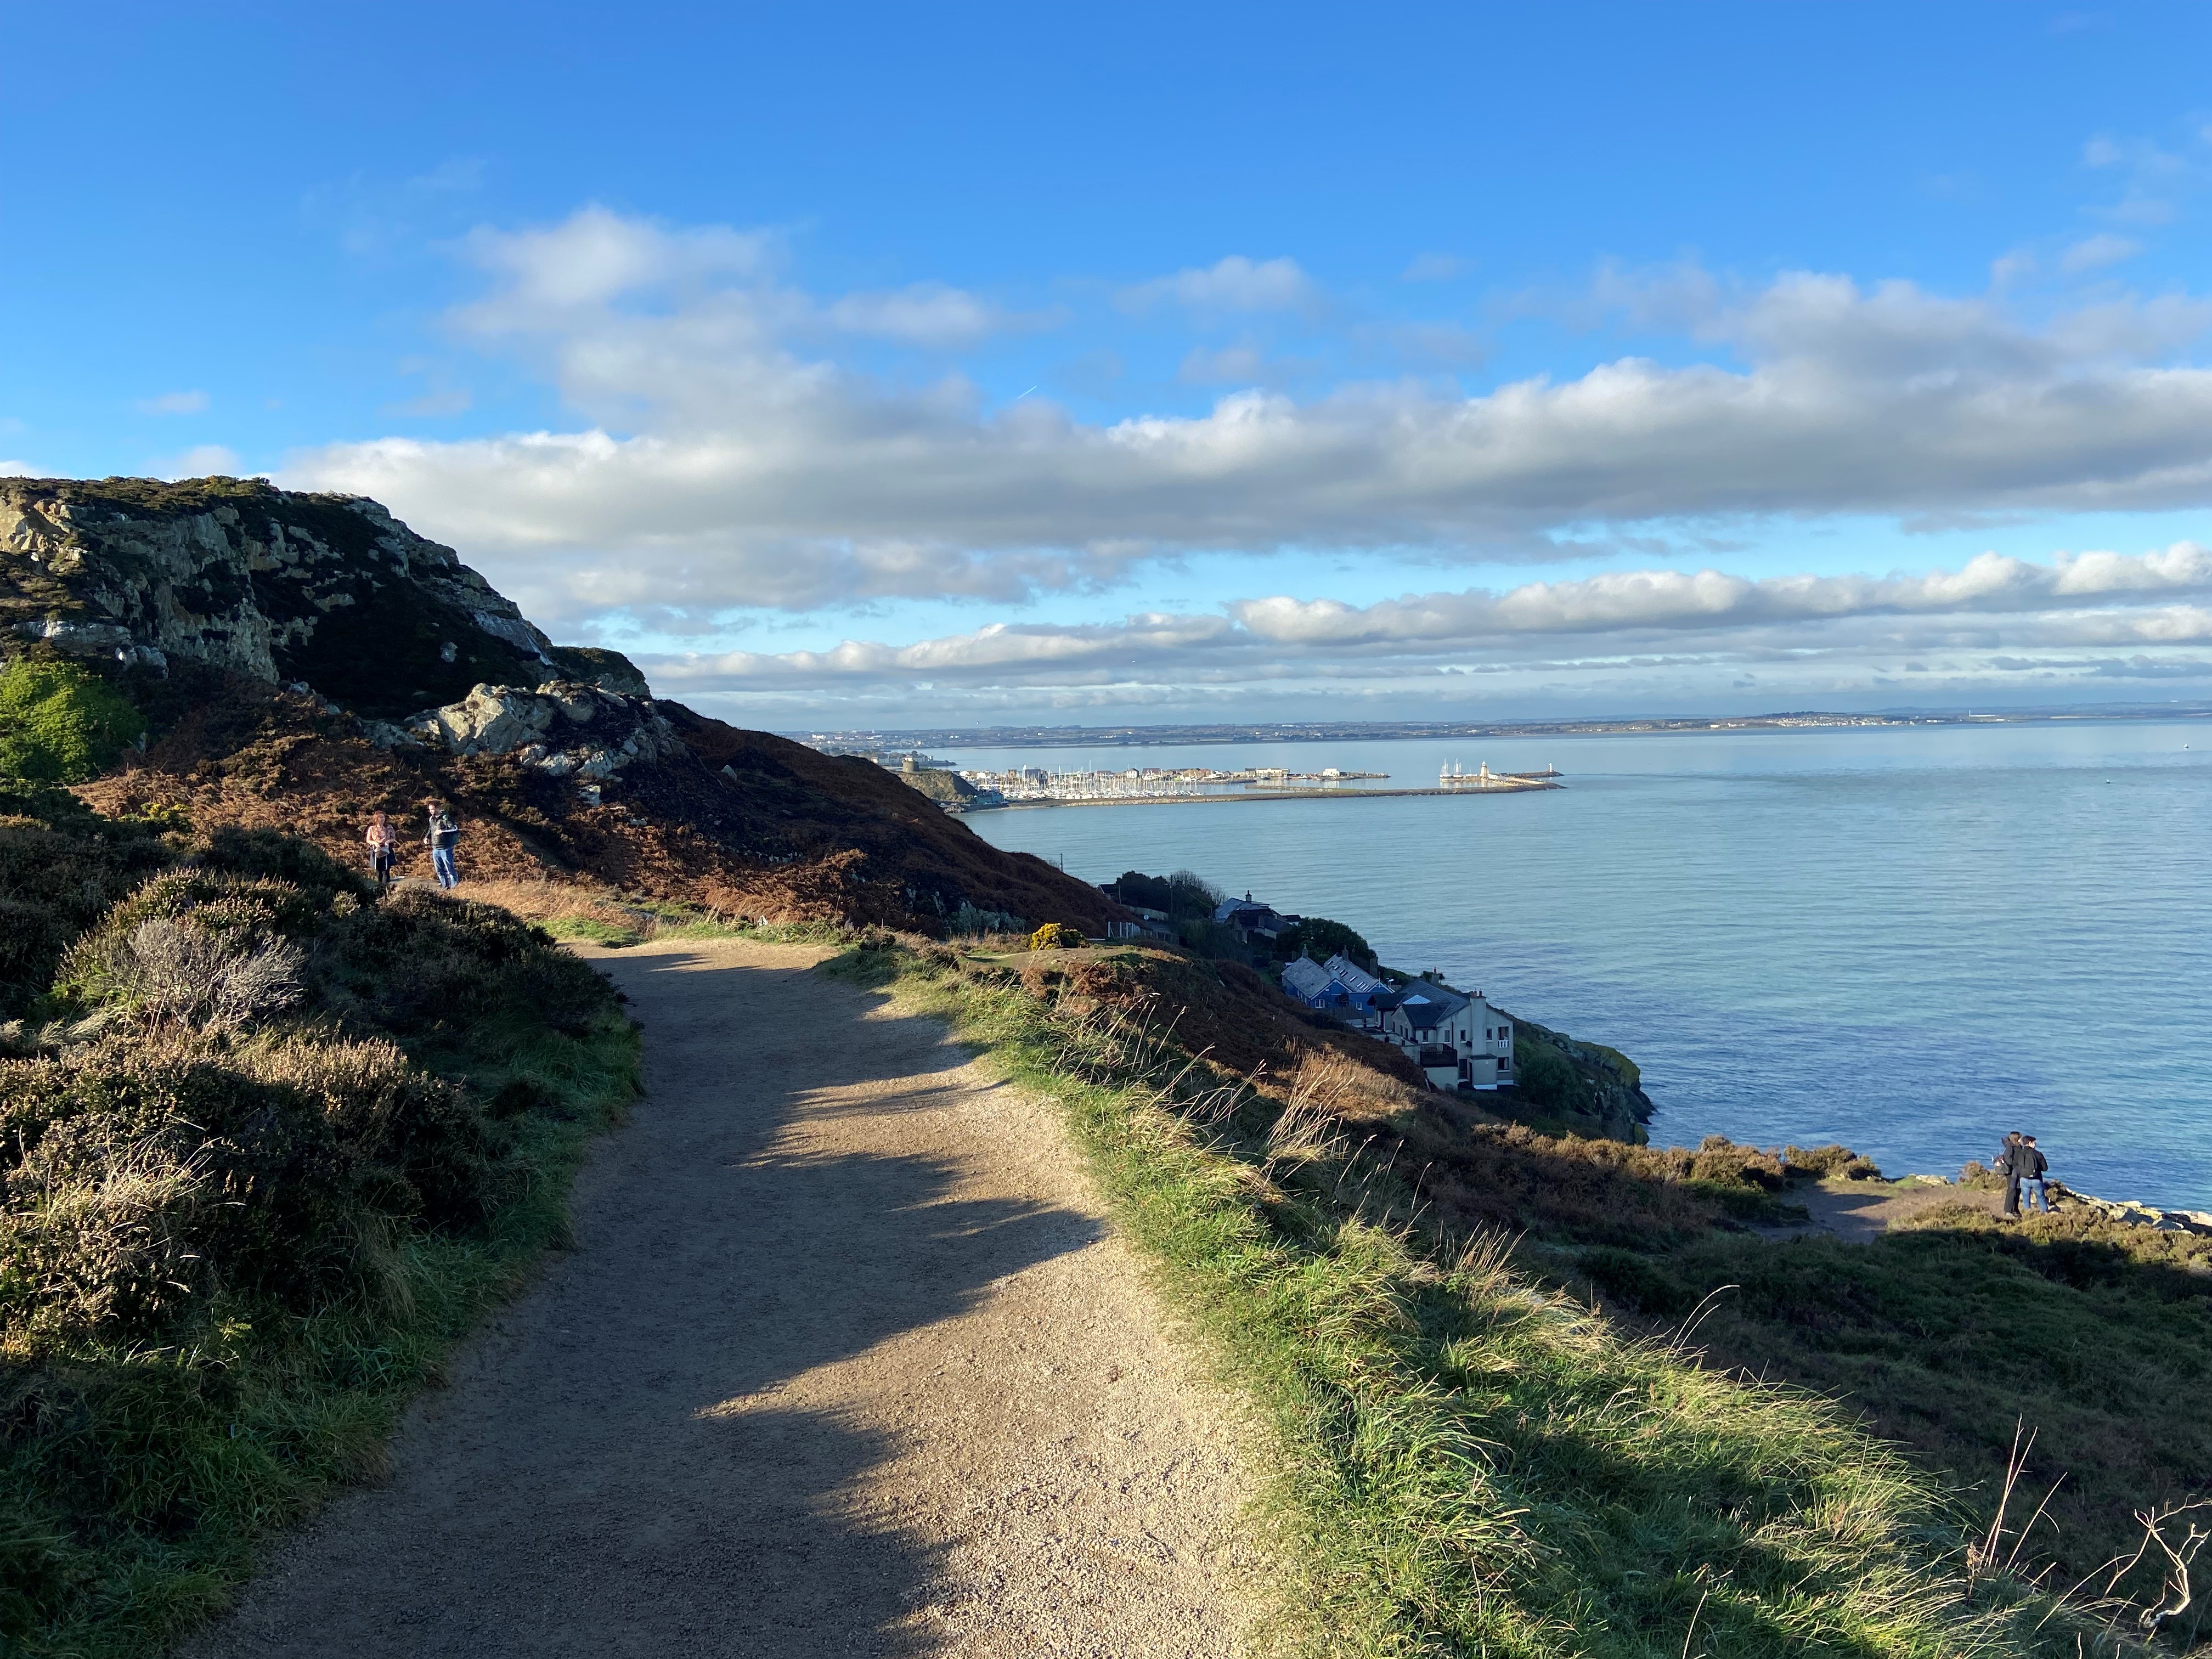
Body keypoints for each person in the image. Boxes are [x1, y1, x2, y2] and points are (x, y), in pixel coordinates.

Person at [423, 799, 461, 889]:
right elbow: (430, 829)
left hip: (446, 848)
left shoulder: (446, 818)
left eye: (432, 809)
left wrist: (443, 831)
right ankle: (445, 887)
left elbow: (455, 829)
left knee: (450, 869)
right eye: (430, 809)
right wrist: (426, 838)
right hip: (435, 848)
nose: (431, 811)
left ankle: (454, 888)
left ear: (438, 808)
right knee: (440, 871)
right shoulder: (431, 819)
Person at [364, 810, 398, 893]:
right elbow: (368, 840)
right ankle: (380, 889)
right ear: (376, 819)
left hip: (386, 850)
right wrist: (376, 843)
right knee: (378, 870)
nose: (382, 819)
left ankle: (386, 888)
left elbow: (393, 838)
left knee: (386, 870)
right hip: (377, 851)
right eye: (381, 817)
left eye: (383, 817)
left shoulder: (389, 827)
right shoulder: (372, 829)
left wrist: (388, 842)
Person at [1996, 1130, 2024, 1219]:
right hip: (2011, 1172)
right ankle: (2008, 1210)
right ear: (2016, 1139)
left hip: (2017, 1171)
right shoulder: (2010, 1148)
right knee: (2012, 1190)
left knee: (2018, 1190)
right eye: (2020, 1138)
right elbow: (2008, 1160)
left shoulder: (2019, 1147)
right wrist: (2017, 1163)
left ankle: (2015, 1209)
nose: (2021, 1139)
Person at [2021, 1135, 2051, 1214]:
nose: (2035, 1144)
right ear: (2030, 1143)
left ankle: (2027, 1214)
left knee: (2026, 1198)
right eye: (2034, 1142)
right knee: (2041, 1198)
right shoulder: (2038, 1154)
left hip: (2023, 1179)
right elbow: (2045, 1168)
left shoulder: (2020, 1153)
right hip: (2036, 1179)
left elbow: (2016, 1165)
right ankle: (2045, 1212)